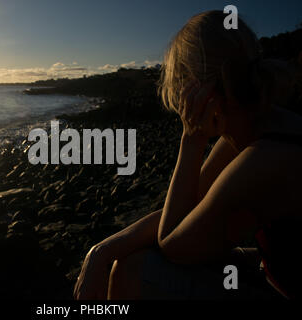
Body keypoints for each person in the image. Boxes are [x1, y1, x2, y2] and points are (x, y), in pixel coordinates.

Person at [74, 10, 302, 300]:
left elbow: (173, 244)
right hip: (272, 270)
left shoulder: (260, 160)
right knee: (127, 259)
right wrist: (100, 252)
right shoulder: (265, 125)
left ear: (198, 89)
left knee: (133, 270)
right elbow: (191, 209)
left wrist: (191, 140)